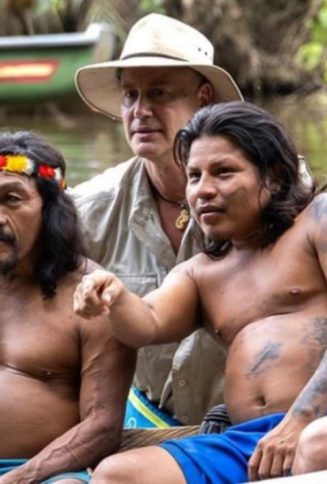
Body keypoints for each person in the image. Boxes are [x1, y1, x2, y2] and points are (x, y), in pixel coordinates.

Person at [74, 102, 327, 483]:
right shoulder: (202, 271)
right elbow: (146, 323)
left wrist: (299, 420)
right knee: (120, 474)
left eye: (224, 173)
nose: (203, 190)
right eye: (195, 176)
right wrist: (114, 297)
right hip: (248, 444)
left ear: (276, 176)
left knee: (321, 446)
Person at [0, 131, 135, 484]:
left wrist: (18, 480)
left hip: (45, 477)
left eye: (11, 199)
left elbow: (102, 427)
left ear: (51, 211)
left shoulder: (92, 294)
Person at [72, 13, 243, 427]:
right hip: (143, 420)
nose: (140, 111)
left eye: (160, 93)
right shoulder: (89, 208)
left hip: (248, 420)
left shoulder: (264, 187)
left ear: (203, 99)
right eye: (130, 95)